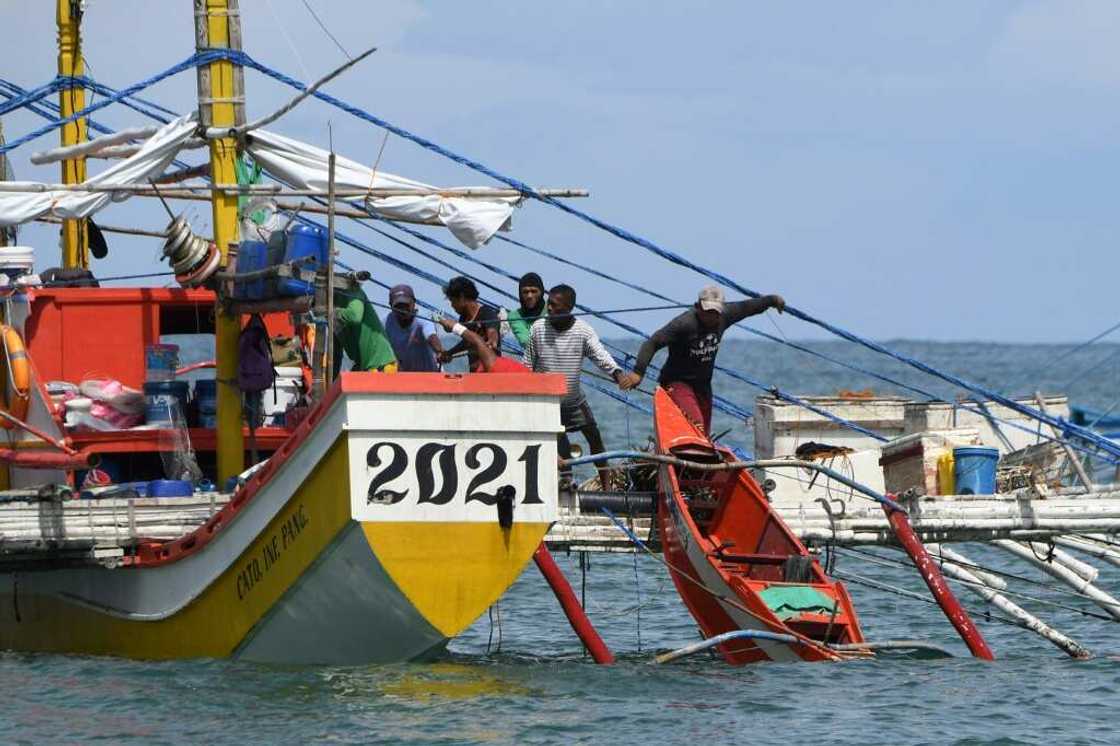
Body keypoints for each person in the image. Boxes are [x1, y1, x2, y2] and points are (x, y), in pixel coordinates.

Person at [620, 285, 785, 434]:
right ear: (698, 306)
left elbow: (748, 307)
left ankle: (696, 464)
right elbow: (652, 343)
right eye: (707, 311)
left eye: (715, 312)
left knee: (704, 433)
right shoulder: (684, 324)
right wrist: (638, 373)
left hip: (702, 385)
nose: (711, 316)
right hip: (677, 382)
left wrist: (772, 300)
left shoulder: (725, 316)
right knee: (695, 425)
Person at [523, 284, 628, 488]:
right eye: (549, 304)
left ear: (569, 308)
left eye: (555, 306)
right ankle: (565, 485)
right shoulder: (538, 328)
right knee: (561, 449)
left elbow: (600, 355)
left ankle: (606, 488)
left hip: (574, 402)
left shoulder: (582, 330)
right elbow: (527, 364)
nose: (550, 309)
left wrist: (617, 374)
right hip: (548, 403)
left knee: (595, 440)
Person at [438, 276, 501, 372]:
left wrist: (493, 340)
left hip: (490, 372)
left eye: (452, 301)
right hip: (475, 373)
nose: (452, 305)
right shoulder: (464, 318)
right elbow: (468, 342)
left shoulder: (487, 312)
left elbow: (492, 333)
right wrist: (450, 353)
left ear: (462, 297)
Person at [333, 285, 398, 374]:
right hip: (364, 365)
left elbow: (354, 316)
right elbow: (337, 354)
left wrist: (335, 313)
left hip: (381, 364)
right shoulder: (330, 314)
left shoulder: (352, 289)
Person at [383, 284, 443, 372]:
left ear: (414, 303)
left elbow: (431, 336)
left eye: (406, 305)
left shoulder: (423, 318)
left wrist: (439, 351)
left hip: (430, 376)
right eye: (398, 306)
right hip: (404, 379)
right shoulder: (386, 322)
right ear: (390, 305)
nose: (402, 310)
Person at [435, 316, 528, 373]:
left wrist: (455, 327)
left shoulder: (498, 366)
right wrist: (450, 352)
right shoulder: (483, 370)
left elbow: (476, 341)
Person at [507, 272, 546, 348]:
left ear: (541, 292)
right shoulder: (514, 316)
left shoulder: (552, 309)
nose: (529, 296)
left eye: (534, 291)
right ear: (520, 294)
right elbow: (526, 342)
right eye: (525, 292)